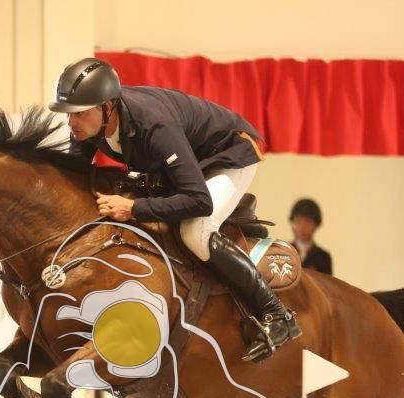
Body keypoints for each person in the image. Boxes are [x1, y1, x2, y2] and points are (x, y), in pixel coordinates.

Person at [50, 58, 301, 362]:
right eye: (69, 114)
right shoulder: (91, 126)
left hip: (228, 154)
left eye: (80, 114)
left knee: (195, 230)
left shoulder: (153, 125)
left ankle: (277, 314)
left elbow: (199, 200)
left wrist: (134, 207)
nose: (71, 123)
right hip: (188, 161)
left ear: (108, 107)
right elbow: (74, 177)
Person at [289, 198, 332, 275]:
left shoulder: (323, 257)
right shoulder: (282, 252)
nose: (302, 227)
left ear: (316, 225)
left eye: (307, 222)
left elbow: (326, 282)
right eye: (298, 221)